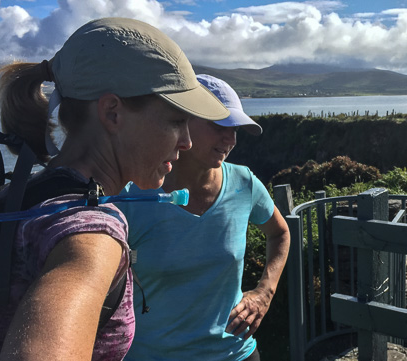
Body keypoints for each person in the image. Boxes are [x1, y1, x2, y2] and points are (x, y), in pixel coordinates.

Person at [0, 18, 229, 361]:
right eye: (176, 121)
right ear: (112, 112)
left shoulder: (28, 193)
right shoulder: (93, 233)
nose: (187, 142)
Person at [119, 75, 290, 361]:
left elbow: (280, 233)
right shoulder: (133, 194)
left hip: (236, 353)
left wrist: (265, 293)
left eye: (235, 129)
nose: (231, 139)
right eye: (219, 125)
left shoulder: (243, 183)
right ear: (181, 120)